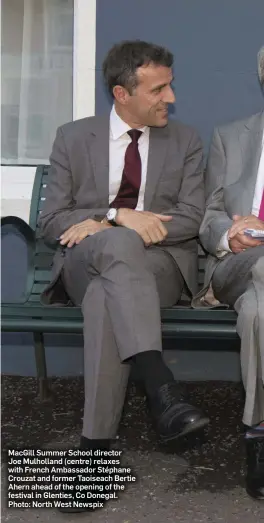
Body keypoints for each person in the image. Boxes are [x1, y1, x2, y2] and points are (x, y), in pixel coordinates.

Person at [39, 40, 208, 512]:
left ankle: (93, 456)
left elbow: (193, 218)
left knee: (103, 297)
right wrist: (117, 215)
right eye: (159, 89)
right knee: (113, 246)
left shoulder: (187, 141)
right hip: (85, 261)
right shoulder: (73, 137)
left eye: (170, 86)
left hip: (159, 267)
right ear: (121, 93)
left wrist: (124, 224)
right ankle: (160, 386)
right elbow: (53, 222)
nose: (170, 98)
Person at [198, 46, 264, 500]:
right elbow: (209, 216)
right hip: (235, 266)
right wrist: (228, 234)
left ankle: (257, 433)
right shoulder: (231, 136)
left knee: (259, 315)